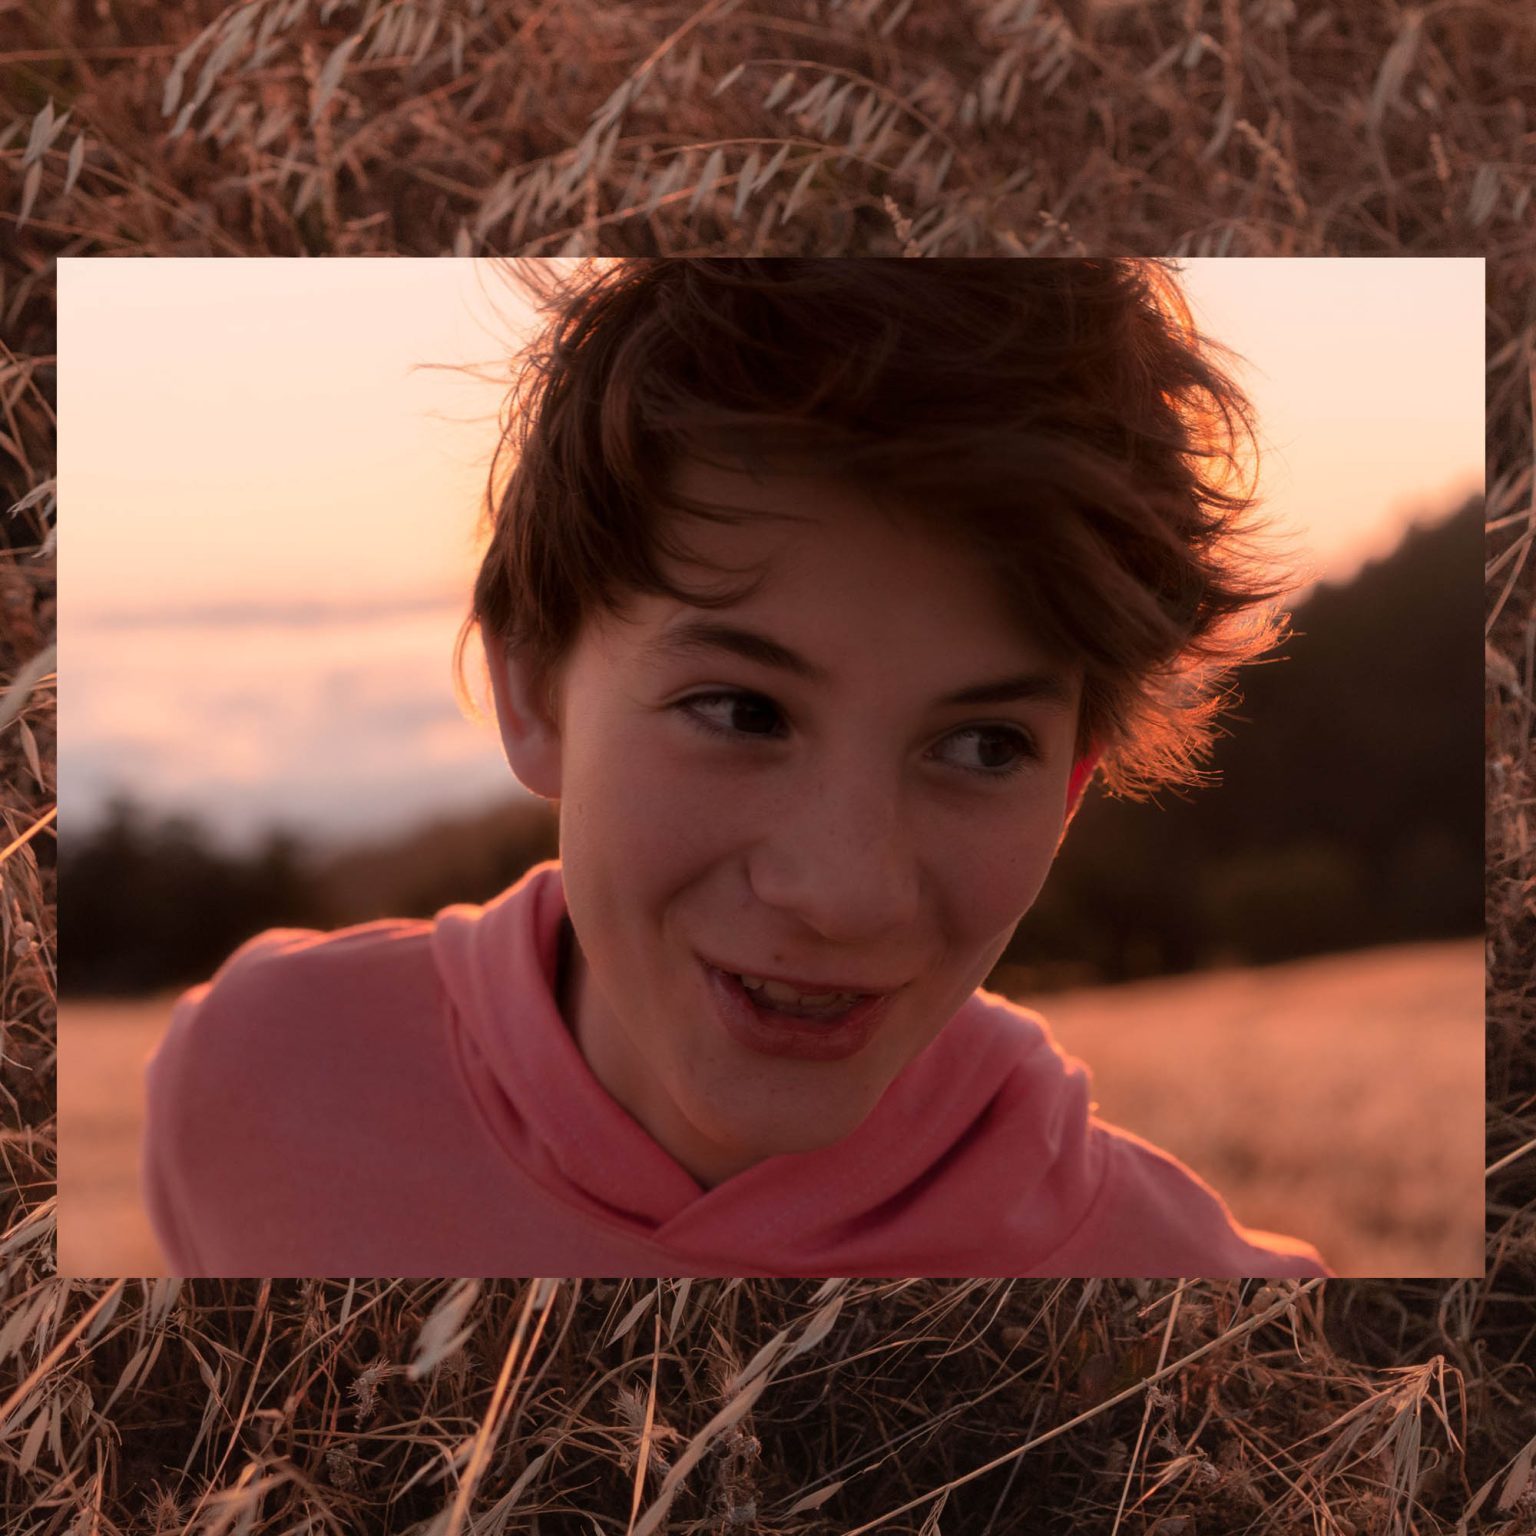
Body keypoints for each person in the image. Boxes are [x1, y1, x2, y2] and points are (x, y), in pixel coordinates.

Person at [142, 258, 1331, 1278]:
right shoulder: (258, 1083)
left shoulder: (1225, 1349)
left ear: (1072, 786)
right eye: (741, 710)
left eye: (984, 746)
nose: (845, 890)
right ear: (534, 687)